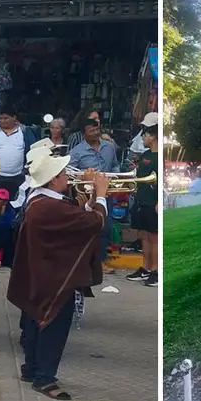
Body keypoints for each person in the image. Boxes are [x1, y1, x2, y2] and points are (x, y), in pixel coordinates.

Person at [7, 152, 109, 401]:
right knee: (53, 327)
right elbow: (94, 222)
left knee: (34, 322)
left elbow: (74, 221)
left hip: (40, 273)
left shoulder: (41, 199)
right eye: (63, 174)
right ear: (53, 180)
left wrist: (88, 199)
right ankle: (45, 378)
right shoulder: (49, 206)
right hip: (54, 277)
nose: (68, 177)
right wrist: (102, 194)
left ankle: (31, 370)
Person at [69, 118, 121, 274]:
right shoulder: (76, 152)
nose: (96, 133)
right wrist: (84, 179)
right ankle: (85, 260)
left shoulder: (109, 147)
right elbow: (70, 174)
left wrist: (116, 177)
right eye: (91, 131)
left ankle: (100, 261)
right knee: (88, 229)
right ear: (83, 133)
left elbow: (115, 165)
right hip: (88, 196)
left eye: (97, 129)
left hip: (107, 192)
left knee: (105, 227)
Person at [125, 113, 159, 287]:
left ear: (153, 135)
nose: (143, 137)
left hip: (153, 202)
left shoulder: (159, 156)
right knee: (144, 235)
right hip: (142, 200)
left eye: (146, 133)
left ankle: (156, 270)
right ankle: (145, 268)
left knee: (154, 237)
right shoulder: (146, 154)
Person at [0, 106, 37, 202]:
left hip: (18, 178)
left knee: (15, 204)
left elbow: (34, 152)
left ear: (14, 118)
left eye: (6, 118)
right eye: (0, 118)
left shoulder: (25, 132)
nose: (2, 121)